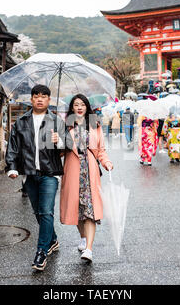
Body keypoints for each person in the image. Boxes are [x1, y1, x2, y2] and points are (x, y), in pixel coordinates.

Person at [5, 84, 66, 271]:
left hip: (50, 173)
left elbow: (68, 148)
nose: (40, 99)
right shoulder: (21, 122)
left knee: (47, 211)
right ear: (31, 99)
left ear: (49, 100)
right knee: (39, 213)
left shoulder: (56, 121)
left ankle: (41, 252)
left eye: (44, 96)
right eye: (36, 96)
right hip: (30, 174)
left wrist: (60, 141)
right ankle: (53, 239)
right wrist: (12, 167)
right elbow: (13, 147)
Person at [60, 94, 113, 263]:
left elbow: (101, 150)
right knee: (77, 210)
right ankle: (83, 237)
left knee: (90, 212)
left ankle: (89, 249)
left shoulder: (95, 125)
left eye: (82, 104)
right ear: (72, 108)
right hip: (73, 171)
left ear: (87, 107)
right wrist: (58, 142)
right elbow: (60, 152)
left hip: (90, 172)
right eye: (76, 105)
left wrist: (107, 163)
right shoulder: (65, 126)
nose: (80, 107)